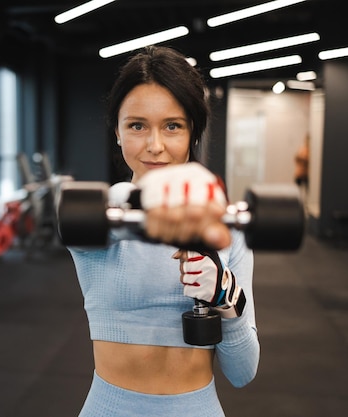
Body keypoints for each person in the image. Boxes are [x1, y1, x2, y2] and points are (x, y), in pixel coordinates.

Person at [65, 45, 259, 416]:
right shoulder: (100, 215)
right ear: (118, 133)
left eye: (173, 126)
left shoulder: (228, 229)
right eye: (137, 126)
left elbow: (243, 373)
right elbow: (122, 200)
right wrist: (149, 202)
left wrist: (226, 297)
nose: (155, 146)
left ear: (193, 133)